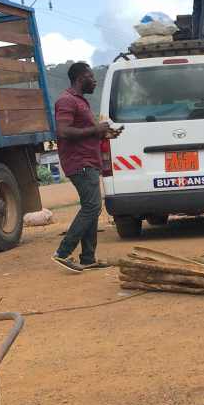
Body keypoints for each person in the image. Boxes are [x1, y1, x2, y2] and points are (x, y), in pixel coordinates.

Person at [52, 62, 120, 273]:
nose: (95, 81)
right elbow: (63, 131)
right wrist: (95, 129)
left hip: (88, 162)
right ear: (81, 78)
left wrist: (104, 133)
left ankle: (88, 258)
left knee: (91, 207)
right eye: (92, 77)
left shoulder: (80, 101)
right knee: (92, 207)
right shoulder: (67, 100)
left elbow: (85, 132)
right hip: (80, 163)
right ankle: (62, 253)